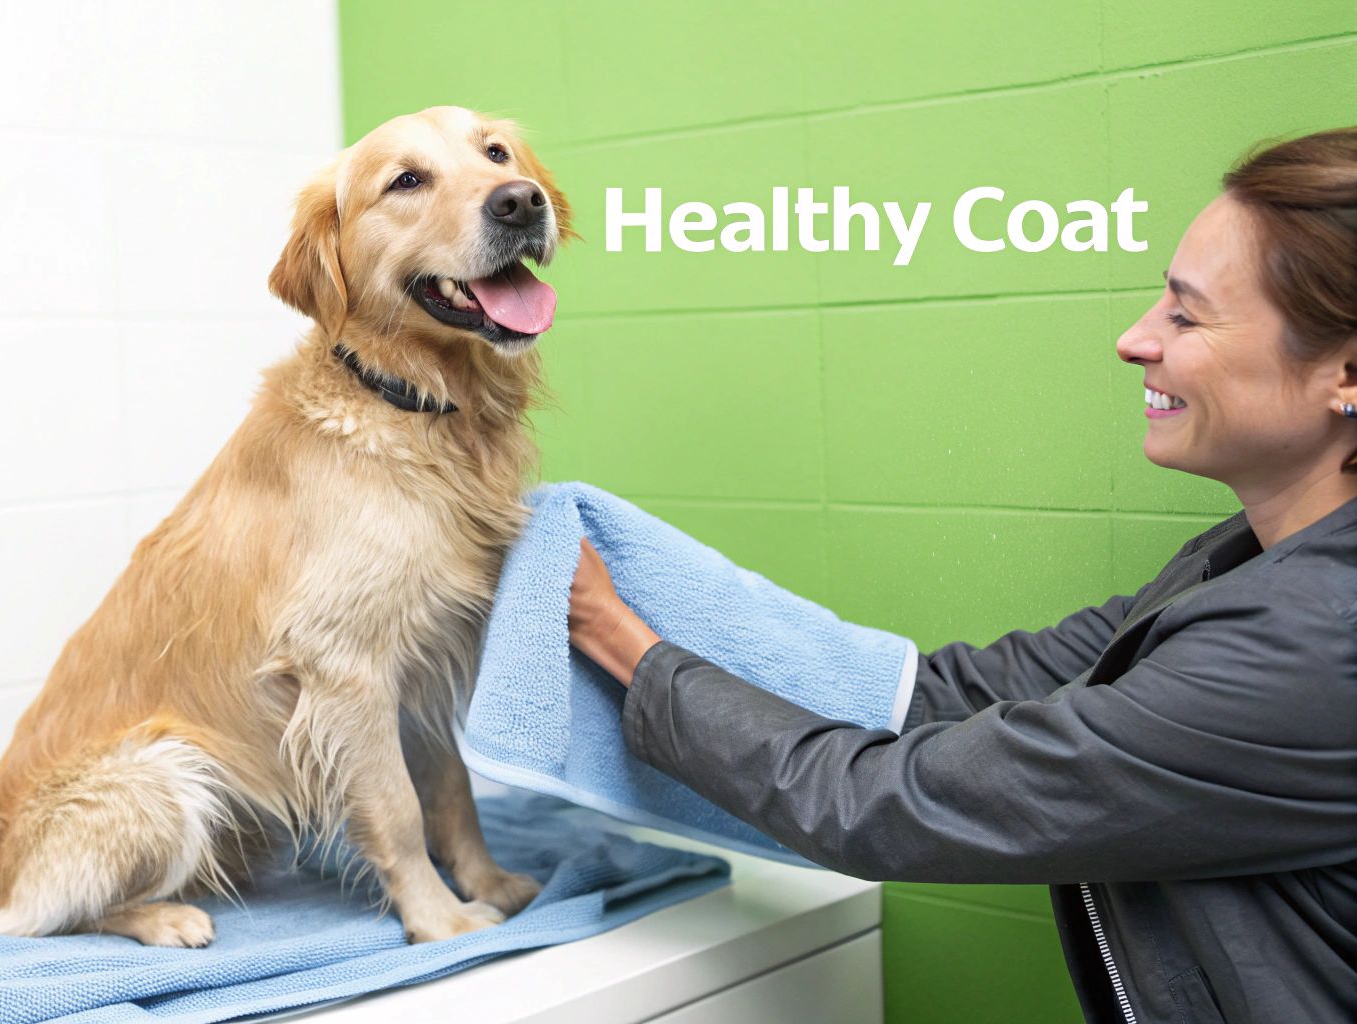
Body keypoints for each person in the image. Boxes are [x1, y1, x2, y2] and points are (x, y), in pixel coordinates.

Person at [566, 127, 1357, 1024]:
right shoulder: (1245, 563)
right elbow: (956, 693)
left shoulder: (1309, 652)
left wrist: (615, 634)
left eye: (1186, 315)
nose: (1134, 339)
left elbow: (882, 805)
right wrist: (657, 588)